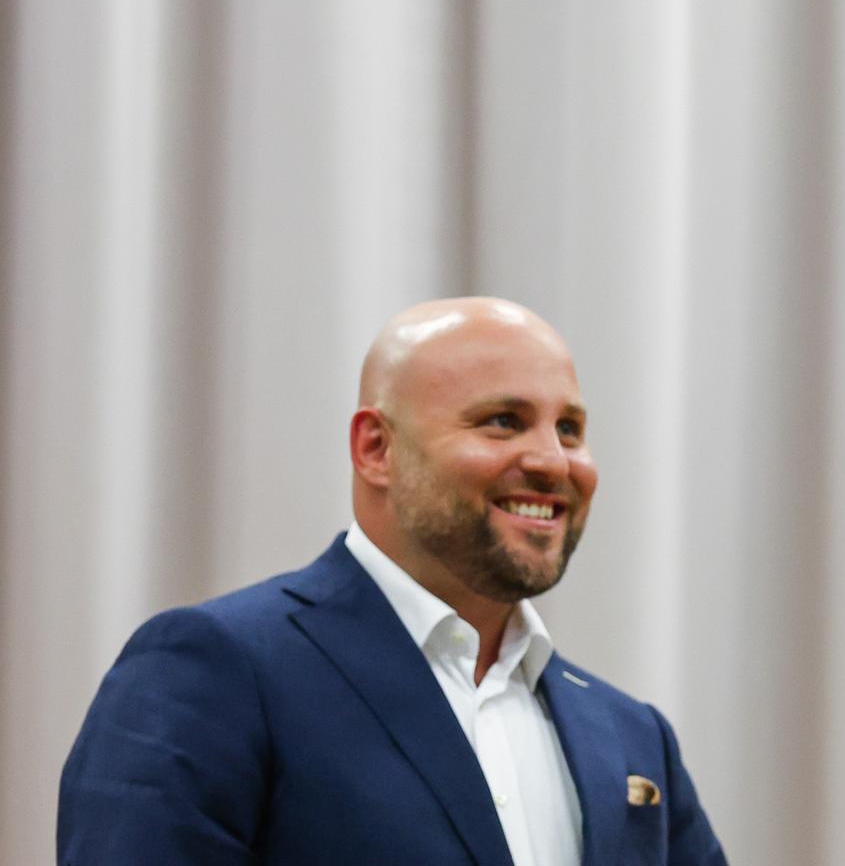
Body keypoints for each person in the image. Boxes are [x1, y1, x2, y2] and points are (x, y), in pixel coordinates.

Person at [60, 297, 727, 866]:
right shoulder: (217, 672)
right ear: (376, 449)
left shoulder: (632, 736)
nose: (554, 461)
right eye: (503, 421)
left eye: (571, 429)